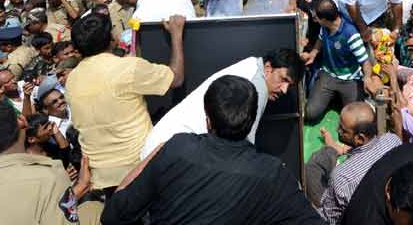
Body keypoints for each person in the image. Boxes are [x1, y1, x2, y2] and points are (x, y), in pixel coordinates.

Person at [101, 75, 322, 224]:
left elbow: (112, 215)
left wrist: (152, 157)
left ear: (207, 119)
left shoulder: (177, 148)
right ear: (252, 118)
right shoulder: (272, 173)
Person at [64, 11, 186, 191]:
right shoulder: (127, 68)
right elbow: (176, 78)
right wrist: (176, 35)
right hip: (139, 168)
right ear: (111, 38)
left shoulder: (72, 79)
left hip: (101, 177)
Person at [0, 100, 94, 225]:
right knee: (93, 209)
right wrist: (80, 187)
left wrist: (78, 188)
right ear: (21, 121)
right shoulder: (48, 175)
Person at [140, 48, 303, 158]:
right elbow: (243, 149)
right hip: (169, 151)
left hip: (164, 145)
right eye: (283, 80)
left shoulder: (252, 65)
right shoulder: (257, 86)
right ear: (268, 68)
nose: (284, 90)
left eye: (290, 85)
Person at [302, 0, 383, 123]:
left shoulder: (351, 34)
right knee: (310, 114)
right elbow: (320, 39)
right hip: (328, 75)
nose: (314, 19)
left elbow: (365, 62)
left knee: (353, 120)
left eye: (315, 17)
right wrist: (313, 54)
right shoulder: (325, 26)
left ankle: (337, 97)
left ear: (324, 18)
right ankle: (333, 97)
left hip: (350, 80)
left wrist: (367, 78)